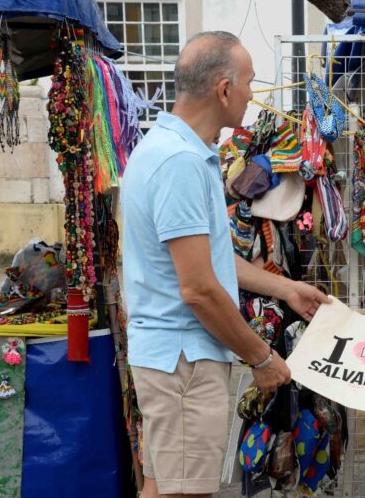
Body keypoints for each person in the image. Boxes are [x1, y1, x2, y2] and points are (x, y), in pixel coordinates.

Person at [122, 31, 330, 498]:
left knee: (161, 486)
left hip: (172, 359)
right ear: (223, 89)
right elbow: (198, 289)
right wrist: (261, 356)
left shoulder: (173, 150)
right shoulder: (179, 163)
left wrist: (286, 289)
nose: (252, 95)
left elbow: (212, 262)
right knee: (183, 492)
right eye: (249, 82)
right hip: (183, 363)